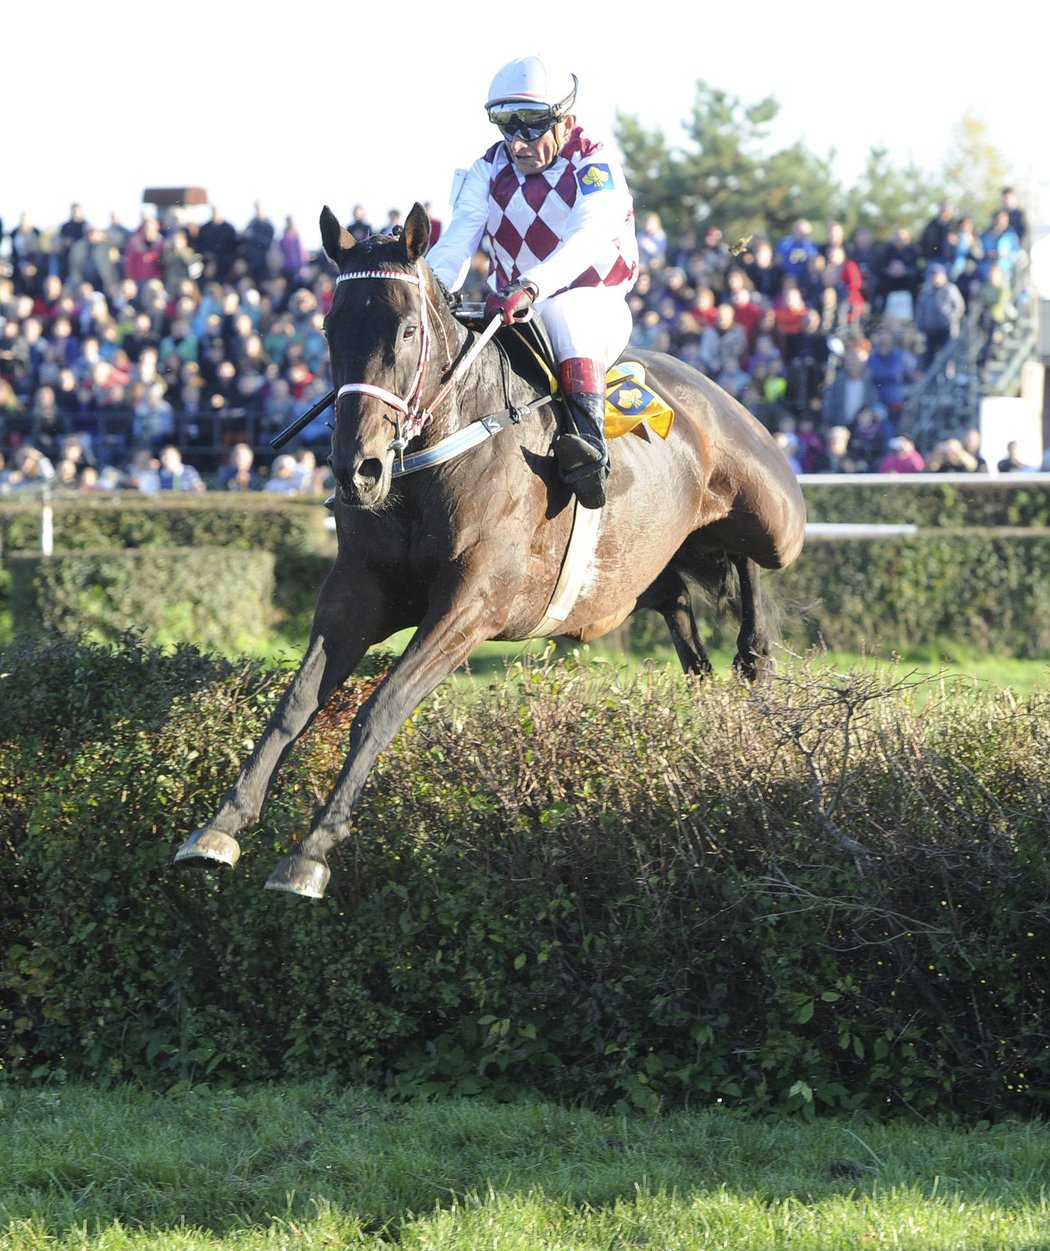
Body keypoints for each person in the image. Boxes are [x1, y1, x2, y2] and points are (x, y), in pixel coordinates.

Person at [427, 54, 638, 509]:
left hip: (591, 304)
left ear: (567, 120)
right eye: (506, 123)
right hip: (516, 309)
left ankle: (589, 449)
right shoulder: (486, 169)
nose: (518, 141)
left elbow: (588, 236)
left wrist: (532, 285)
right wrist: (430, 286)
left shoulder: (595, 165)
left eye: (532, 125)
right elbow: (459, 238)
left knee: (567, 311)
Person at [915, 262, 966, 369]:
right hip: (930, 329)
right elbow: (920, 309)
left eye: (937, 274)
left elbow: (959, 306)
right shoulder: (926, 291)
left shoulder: (950, 289)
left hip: (947, 329)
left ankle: (949, 380)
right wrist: (921, 324)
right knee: (929, 357)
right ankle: (930, 383)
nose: (935, 277)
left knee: (948, 356)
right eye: (933, 275)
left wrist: (950, 319)